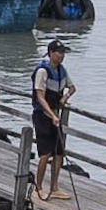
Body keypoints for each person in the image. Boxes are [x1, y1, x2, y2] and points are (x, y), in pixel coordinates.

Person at [30, 35, 75, 199]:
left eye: (63, 53)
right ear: (51, 53)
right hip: (42, 116)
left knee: (59, 152)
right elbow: (40, 97)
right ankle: (38, 187)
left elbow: (72, 88)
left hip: (56, 114)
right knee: (45, 153)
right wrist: (51, 115)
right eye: (58, 52)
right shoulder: (42, 71)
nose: (61, 56)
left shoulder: (62, 70)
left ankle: (54, 188)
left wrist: (64, 98)